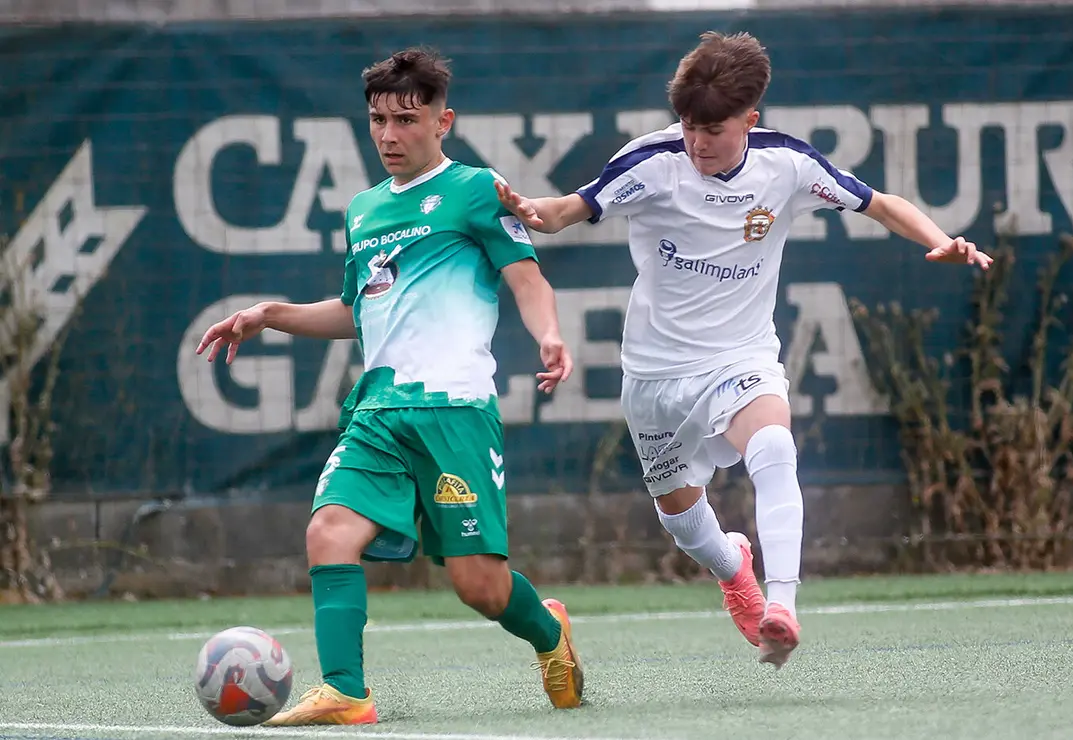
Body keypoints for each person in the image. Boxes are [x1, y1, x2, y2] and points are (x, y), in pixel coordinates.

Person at [494, 31, 992, 669]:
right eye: (687, 126)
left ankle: (781, 604)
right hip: (654, 372)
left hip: (742, 356)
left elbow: (879, 203)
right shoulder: (652, 162)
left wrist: (940, 237)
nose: (696, 141)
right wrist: (530, 210)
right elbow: (568, 209)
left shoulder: (787, 164)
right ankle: (734, 569)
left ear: (750, 120)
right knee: (678, 514)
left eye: (713, 129)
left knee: (775, 444)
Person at [196, 47, 584, 725]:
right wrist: (271, 315)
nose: (388, 134)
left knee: (479, 587)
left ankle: (549, 633)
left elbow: (528, 278)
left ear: (443, 120)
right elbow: (358, 310)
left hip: (453, 412)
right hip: (377, 411)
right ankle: (347, 690)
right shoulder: (363, 210)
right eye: (378, 119)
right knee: (328, 533)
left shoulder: (474, 190)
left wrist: (548, 334)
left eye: (406, 119)